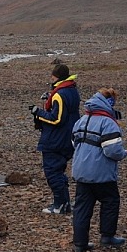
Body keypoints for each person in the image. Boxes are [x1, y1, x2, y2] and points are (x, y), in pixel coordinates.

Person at [70, 87, 127, 252]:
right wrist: (124, 153)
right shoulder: (108, 122)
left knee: (82, 207)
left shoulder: (82, 119)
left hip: (81, 171)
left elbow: (74, 143)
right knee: (110, 201)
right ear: (110, 103)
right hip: (101, 173)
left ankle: (80, 243)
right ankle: (107, 237)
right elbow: (112, 151)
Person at [29, 64, 80, 214]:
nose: (50, 78)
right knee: (59, 170)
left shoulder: (59, 94)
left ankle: (60, 204)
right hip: (68, 137)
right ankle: (63, 203)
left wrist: (38, 112)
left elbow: (57, 119)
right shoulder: (72, 90)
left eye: (52, 76)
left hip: (56, 140)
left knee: (52, 171)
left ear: (56, 77)